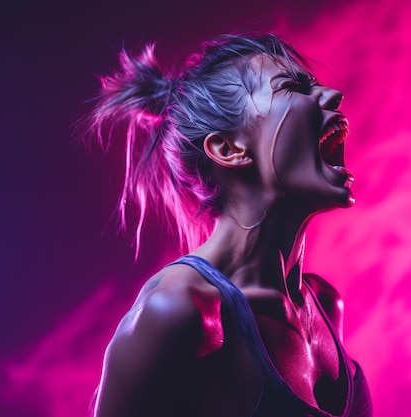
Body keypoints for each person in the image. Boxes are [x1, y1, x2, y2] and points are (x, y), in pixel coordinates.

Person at [87, 32, 373, 417]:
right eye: (292, 87)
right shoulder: (177, 313)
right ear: (229, 149)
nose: (332, 96)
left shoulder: (324, 304)